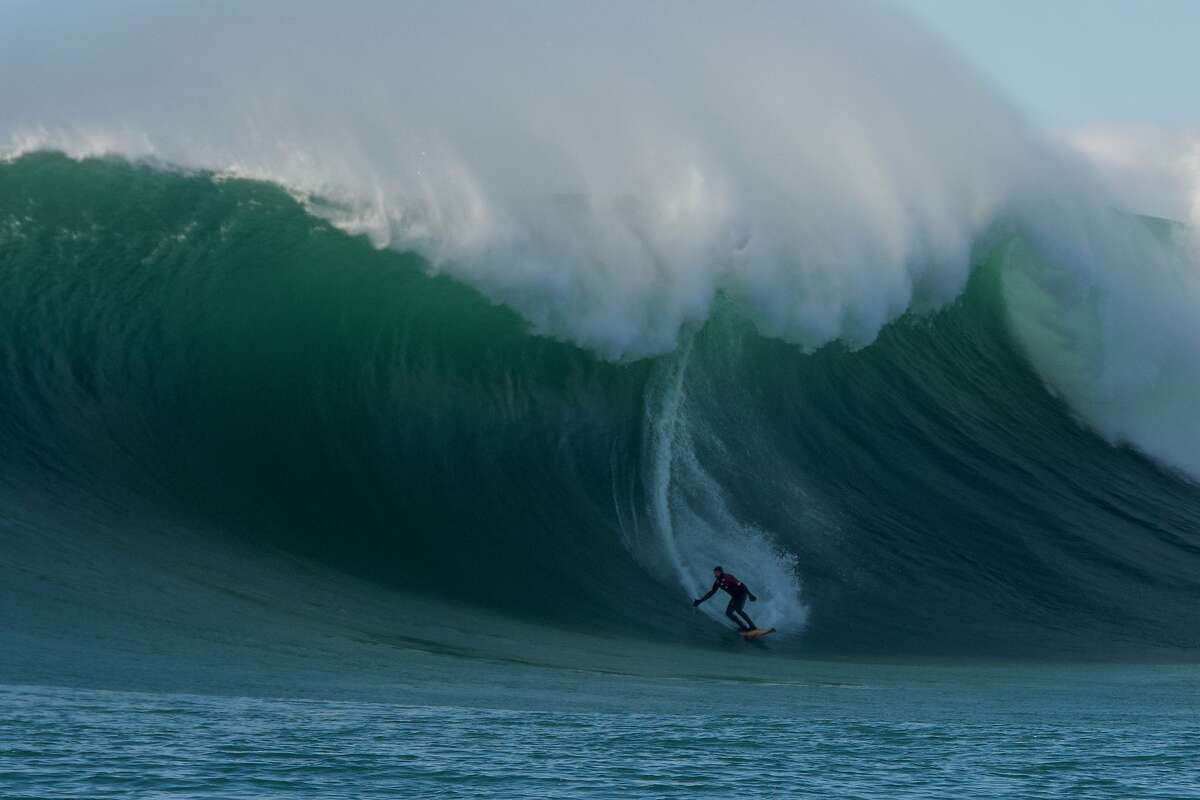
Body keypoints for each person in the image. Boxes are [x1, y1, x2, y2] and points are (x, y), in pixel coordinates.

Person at [693, 566, 758, 631]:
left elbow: (742, 585)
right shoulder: (717, 582)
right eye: (714, 572)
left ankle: (753, 626)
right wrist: (701, 601)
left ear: (720, 572)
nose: (714, 574)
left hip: (742, 594)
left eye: (716, 572)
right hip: (735, 597)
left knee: (738, 610)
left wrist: (750, 595)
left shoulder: (728, 577)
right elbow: (712, 592)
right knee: (728, 613)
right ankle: (743, 627)